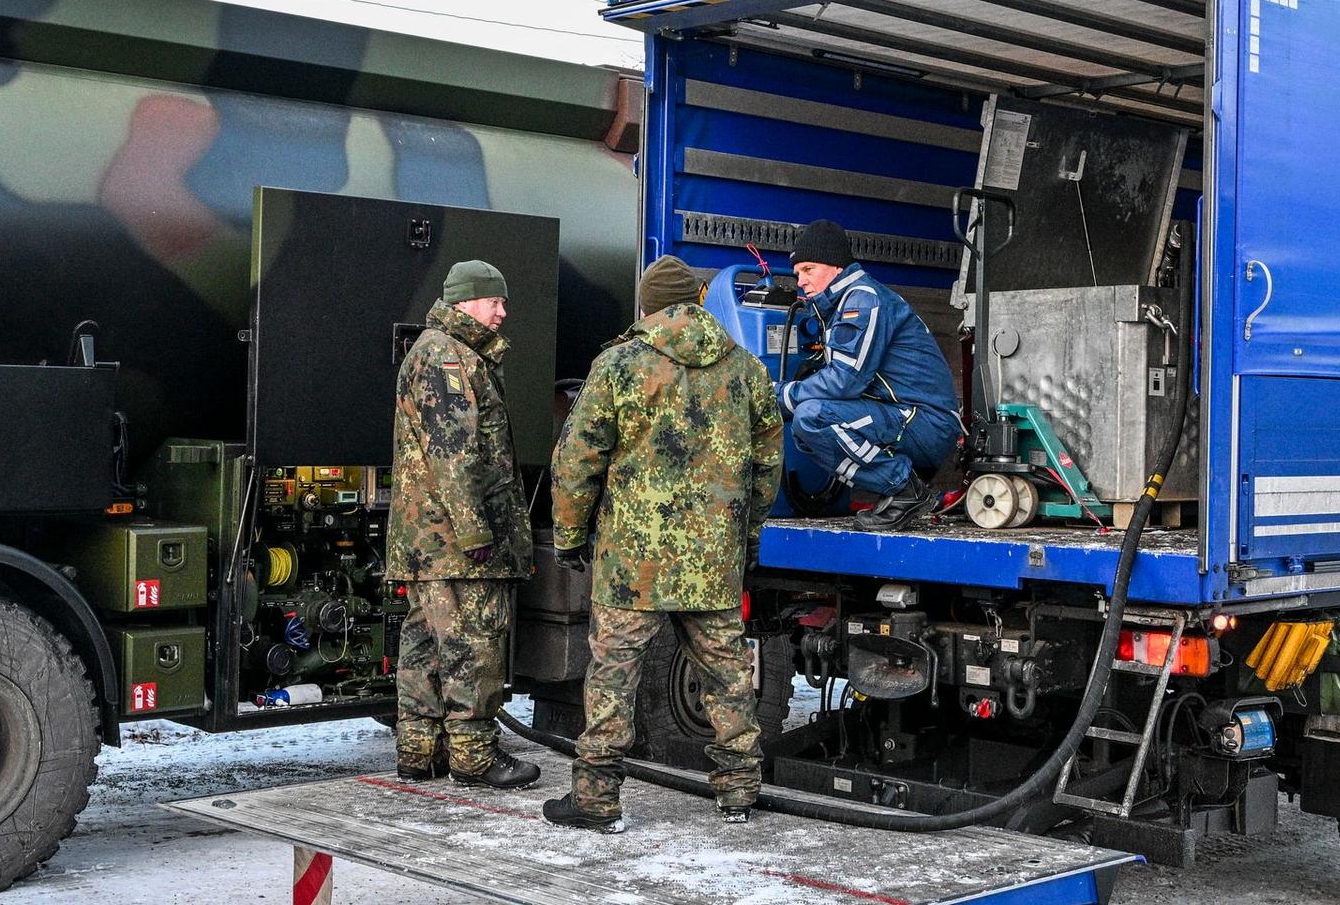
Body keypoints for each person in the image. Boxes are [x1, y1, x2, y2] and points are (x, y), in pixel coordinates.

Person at [542, 255, 784, 833]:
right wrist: (746, 537)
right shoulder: (745, 369)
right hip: (713, 560)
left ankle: (597, 801)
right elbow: (767, 462)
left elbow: (577, 460)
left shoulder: (618, 365)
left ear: (646, 306)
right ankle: (739, 795)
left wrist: (571, 535)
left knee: (611, 679)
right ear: (698, 303)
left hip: (634, 564)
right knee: (727, 674)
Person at [384, 259, 541, 790]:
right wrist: (476, 534)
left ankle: (418, 752)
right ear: (464, 303)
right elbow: (454, 457)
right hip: (455, 544)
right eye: (494, 301)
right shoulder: (448, 358)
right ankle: (473, 757)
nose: (502, 313)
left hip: (433, 542)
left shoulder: (441, 352)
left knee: (427, 643)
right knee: (473, 644)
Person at [781, 219, 960, 531]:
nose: (801, 281)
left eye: (808, 269)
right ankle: (901, 488)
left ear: (836, 266)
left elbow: (844, 381)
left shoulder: (862, 299)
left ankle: (904, 488)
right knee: (805, 423)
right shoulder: (843, 302)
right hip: (908, 417)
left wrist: (780, 395)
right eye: (798, 273)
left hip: (925, 422)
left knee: (812, 417)